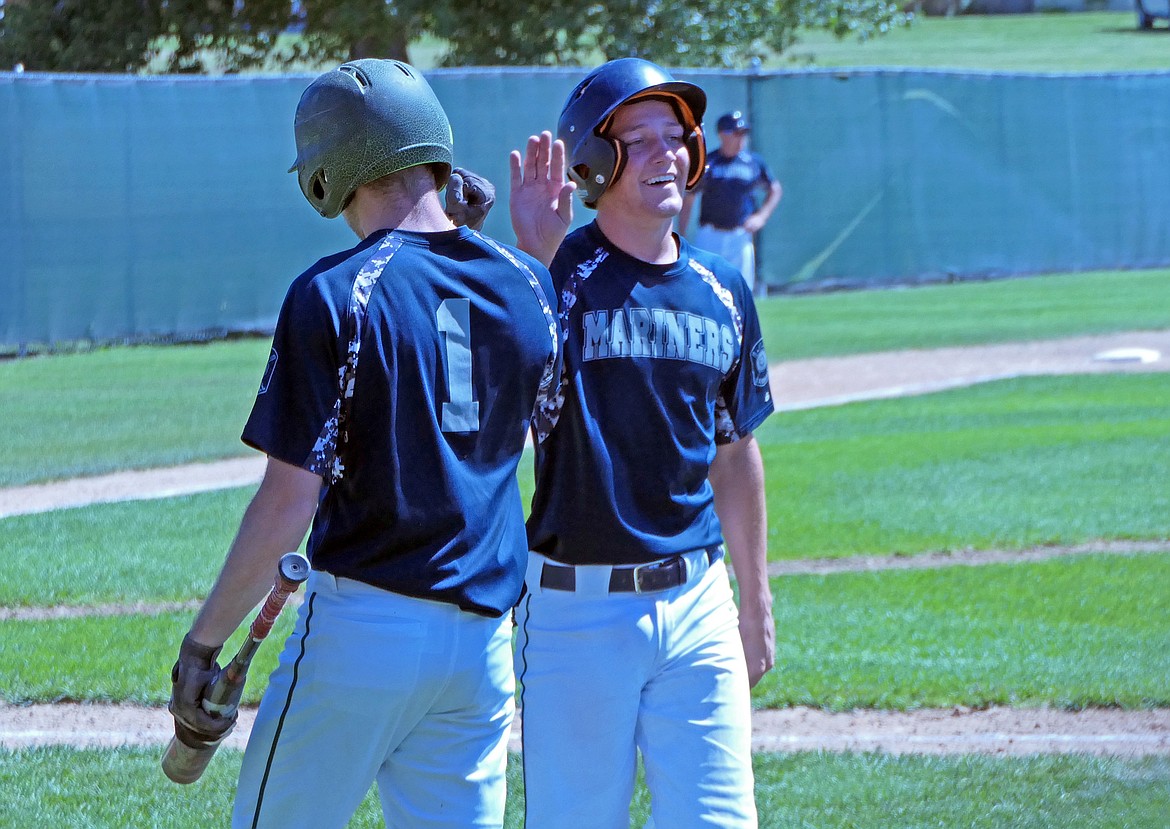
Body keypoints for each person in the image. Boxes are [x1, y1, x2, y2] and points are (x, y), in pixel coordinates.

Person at [166, 58, 559, 828]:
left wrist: (203, 640)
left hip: (365, 633)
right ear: (436, 147)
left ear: (326, 168)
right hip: (482, 649)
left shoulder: (333, 291)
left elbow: (288, 500)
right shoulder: (527, 283)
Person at [509, 58, 776, 828]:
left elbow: (735, 452)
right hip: (574, 609)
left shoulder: (725, 290)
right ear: (592, 161)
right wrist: (535, 257)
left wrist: (753, 601)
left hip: (699, 600)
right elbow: (510, 408)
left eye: (677, 137)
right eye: (642, 139)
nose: (669, 154)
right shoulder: (554, 277)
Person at [678, 110, 783, 296]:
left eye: (743, 133)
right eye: (736, 133)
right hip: (710, 235)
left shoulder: (752, 162)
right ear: (722, 134)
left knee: (742, 291)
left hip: (739, 236)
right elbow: (689, 199)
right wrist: (683, 234)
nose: (741, 138)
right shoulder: (709, 163)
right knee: (705, 288)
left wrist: (761, 216)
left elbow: (775, 189)